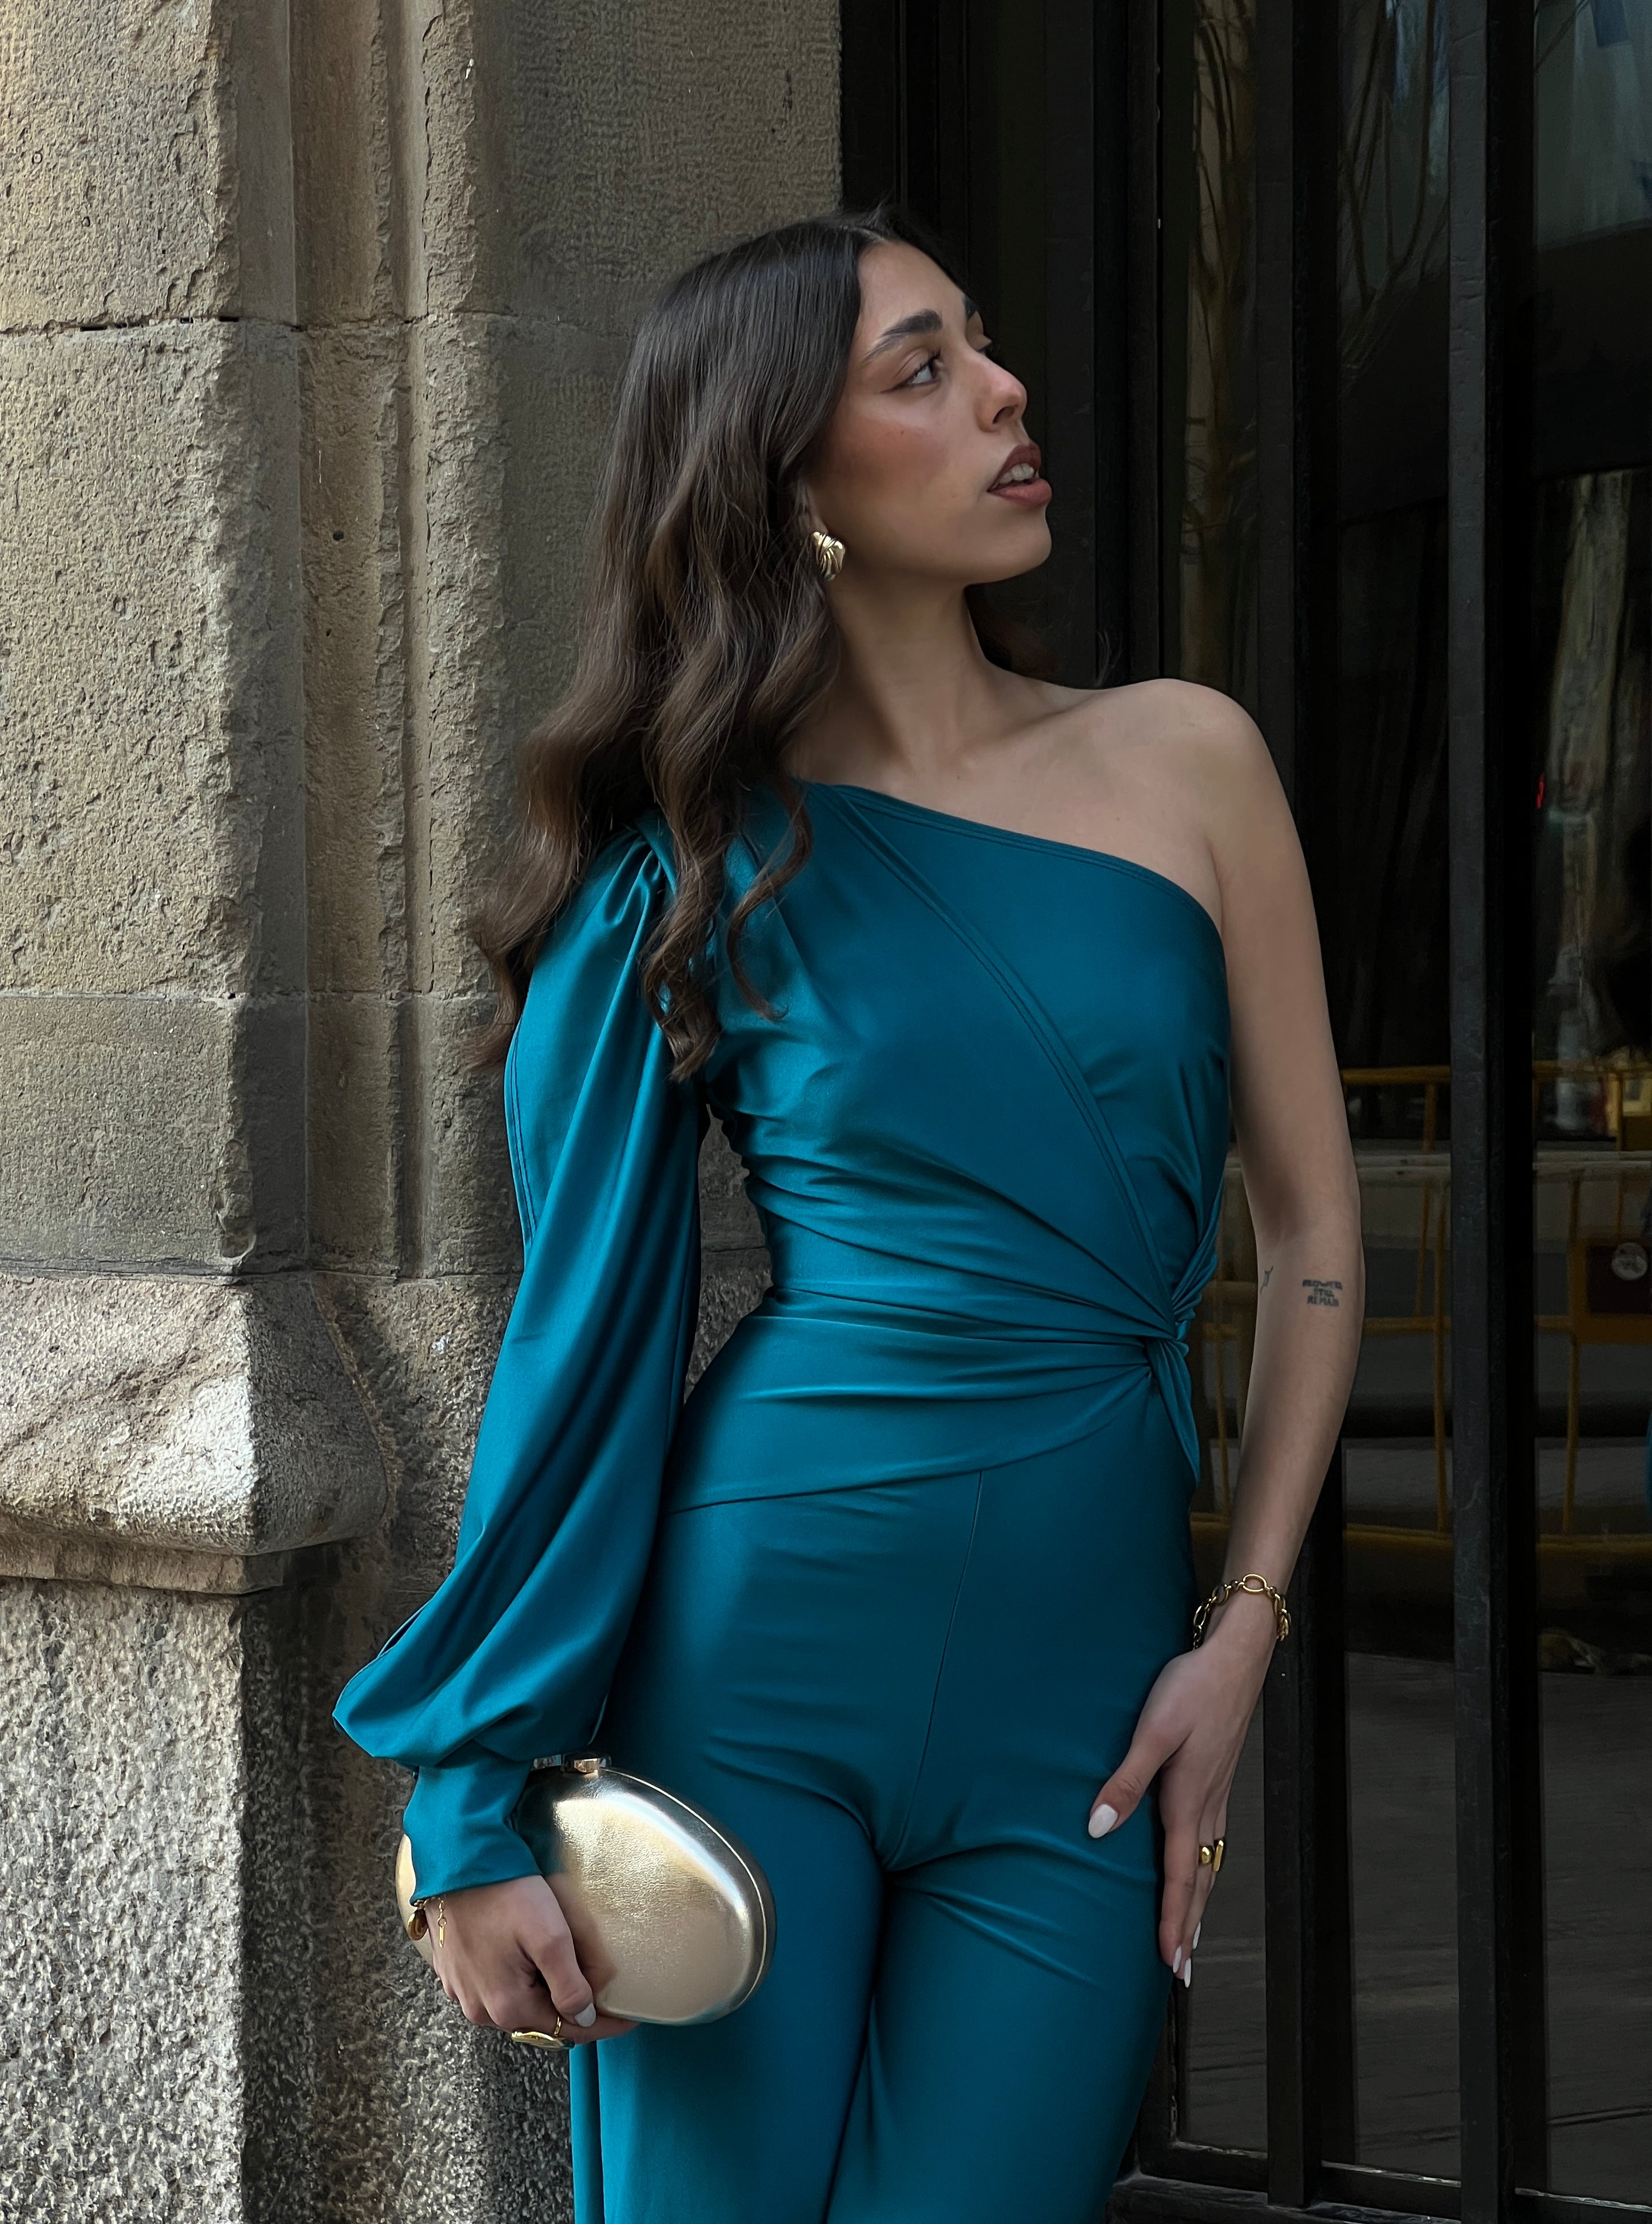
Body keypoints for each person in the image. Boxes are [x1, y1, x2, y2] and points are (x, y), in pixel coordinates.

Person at [334, 205, 1363, 2223]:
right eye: (923, 370)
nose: (1005, 393)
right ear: (787, 479)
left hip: (1088, 1696)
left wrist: (1243, 1630)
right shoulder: (686, 862)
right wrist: (469, 1802)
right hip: (755, 1662)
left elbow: (1317, 1235)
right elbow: (580, 1347)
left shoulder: (1191, 762)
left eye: (981, 342)